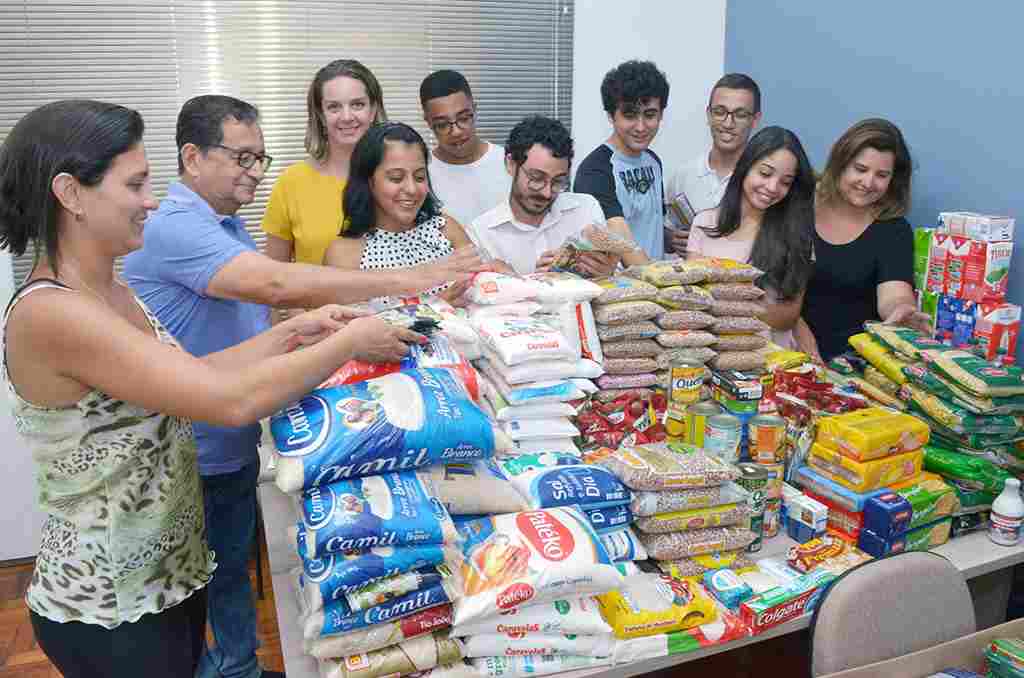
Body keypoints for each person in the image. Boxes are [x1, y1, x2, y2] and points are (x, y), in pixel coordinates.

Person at [0, 99, 424, 678]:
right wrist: (348, 343)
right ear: (71, 193)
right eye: (136, 184)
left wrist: (296, 333)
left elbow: (199, 375)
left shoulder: (114, 291)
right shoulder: (53, 312)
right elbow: (228, 402)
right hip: (107, 602)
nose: (151, 200)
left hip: (166, 577)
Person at [122, 97, 478, 678]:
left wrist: (308, 329)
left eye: (259, 157)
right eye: (241, 157)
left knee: (229, 570)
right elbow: (278, 284)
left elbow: (256, 321)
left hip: (229, 431)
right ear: (191, 156)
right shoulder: (176, 227)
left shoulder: (224, 224)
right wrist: (408, 282)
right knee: (187, 593)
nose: (254, 171)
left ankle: (237, 665)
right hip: (191, 442)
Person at [800, 118, 929, 362]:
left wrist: (901, 310)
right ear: (840, 164)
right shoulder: (799, 203)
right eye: (860, 169)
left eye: (881, 175)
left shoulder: (893, 229)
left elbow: (894, 294)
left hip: (853, 365)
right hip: (788, 351)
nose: (868, 183)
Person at [323, 122, 489, 307]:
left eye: (419, 177)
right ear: (369, 181)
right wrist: (437, 306)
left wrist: (498, 275)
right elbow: (348, 329)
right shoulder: (344, 255)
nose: (411, 189)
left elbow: (484, 293)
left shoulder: (445, 229)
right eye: (396, 178)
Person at [686, 126, 815, 348]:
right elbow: (693, 301)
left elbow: (787, 318)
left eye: (786, 182)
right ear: (745, 167)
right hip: (712, 353)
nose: (772, 187)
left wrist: (724, 298)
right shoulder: (705, 223)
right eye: (765, 173)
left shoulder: (797, 237)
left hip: (771, 361)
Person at [468, 115, 630, 276]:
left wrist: (607, 274)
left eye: (558, 181)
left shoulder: (586, 209)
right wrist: (529, 284)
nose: (546, 193)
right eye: (536, 178)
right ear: (510, 164)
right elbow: (481, 296)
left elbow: (620, 282)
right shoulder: (482, 234)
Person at [262, 59, 386, 266]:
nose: (347, 117)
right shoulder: (292, 182)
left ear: (373, 110)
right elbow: (275, 276)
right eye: (334, 107)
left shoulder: (399, 177)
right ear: (320, 115)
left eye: (357, 104)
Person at [574, 59, 669, 261]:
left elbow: (648, 225)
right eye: (630, 115)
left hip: (656, 283)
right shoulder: (595, 171)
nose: (641, 127)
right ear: (611, 115)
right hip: (621, 289)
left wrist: (670, 238)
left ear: (661, 115)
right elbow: (622, 246)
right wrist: (666, 285)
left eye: (650, 115)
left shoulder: (653, 161)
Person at [666, 73, 762, 254]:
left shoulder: (763, 184)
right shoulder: (682, 176)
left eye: (740, 114)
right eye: (720, 112)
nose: (728, 123)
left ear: (755, 120)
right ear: (709, 115)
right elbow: (668, 229)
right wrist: (671, 240)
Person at [420, 69, 512, 225]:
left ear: (474, 110)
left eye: (463, 118)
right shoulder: (420, 174)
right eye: (442, 125)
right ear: (428, 122)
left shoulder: (509, 163)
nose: (455, 131)